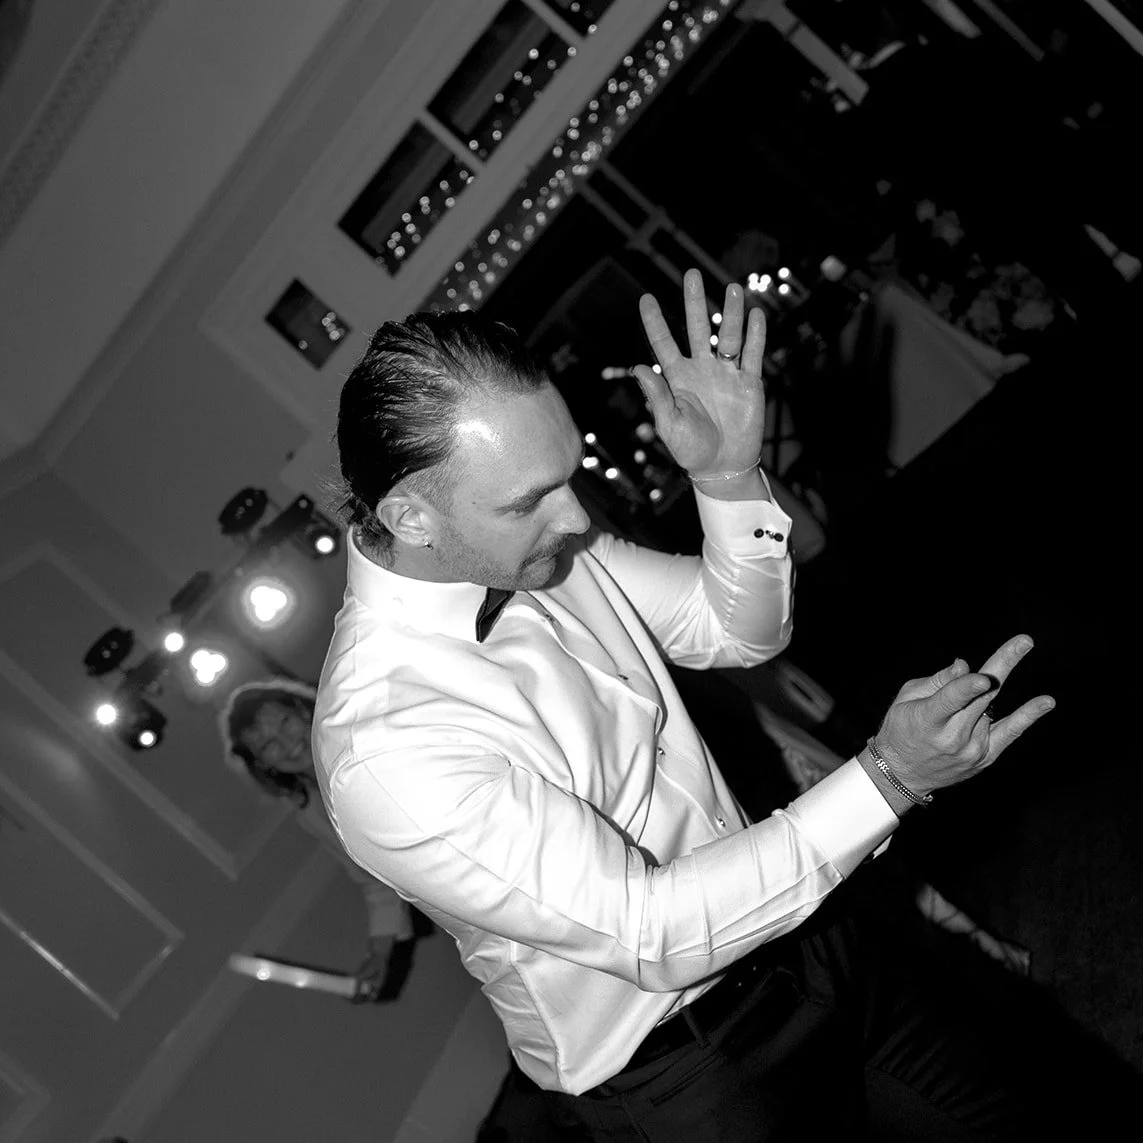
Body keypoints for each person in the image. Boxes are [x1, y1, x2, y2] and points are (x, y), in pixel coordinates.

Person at [312, 269, 1060, 1138]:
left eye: (569, 472)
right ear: (411, 517)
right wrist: (888, 777)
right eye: (528, 500)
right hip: (695, 1075)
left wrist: (730, 475)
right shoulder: (382, 745)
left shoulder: (546, 544)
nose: (573, 515)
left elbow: (737, 631)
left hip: (808, 932)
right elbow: (652, 932)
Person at [220, 677, 414, 1002]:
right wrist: (379, 954)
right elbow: (375, 882)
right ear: (264, 765)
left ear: (303, 709)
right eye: (268, 745)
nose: (286, 742)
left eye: (285, 722)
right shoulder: (311, 813)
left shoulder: (371, 736)